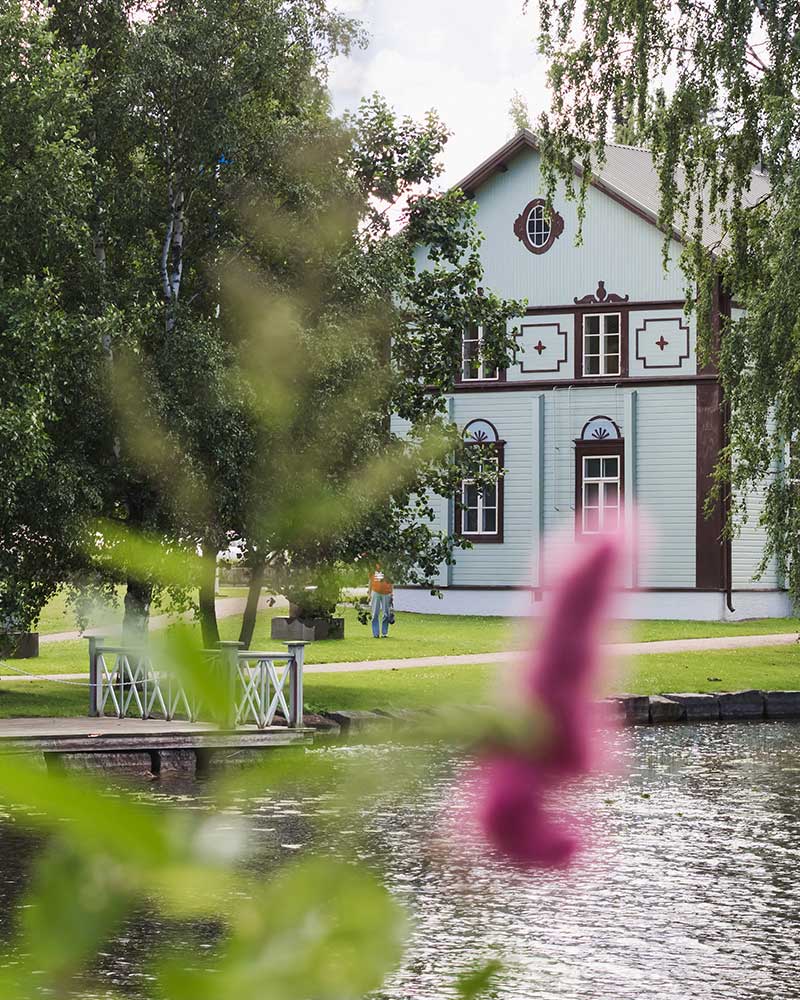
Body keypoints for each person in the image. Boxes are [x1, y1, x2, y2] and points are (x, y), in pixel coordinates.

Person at [368, 563, 393, 638]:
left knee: (386, 614)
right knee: (375, 613)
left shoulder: (388, 568)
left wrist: (392, 593)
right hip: (375, 592)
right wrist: (369, 594)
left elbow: (392, 581)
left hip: (387, 592)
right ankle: (376, 633)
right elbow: (370, 581)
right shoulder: (372, 568)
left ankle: (384, 633)